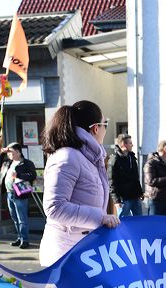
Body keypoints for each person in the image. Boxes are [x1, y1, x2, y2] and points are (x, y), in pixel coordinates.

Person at [39, 100, 120, 267]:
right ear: (96, 128)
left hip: (83, 252)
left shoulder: (89, 158)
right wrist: (100, 217)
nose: (106, 129)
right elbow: (54, 207)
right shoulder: (67, 157)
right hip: (64, 256)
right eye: (106, 124)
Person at [0, 142, 37, 249]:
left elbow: (32, 175)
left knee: (22, 218)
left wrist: (19, 175)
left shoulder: (26, 163)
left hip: (20, 193)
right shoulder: (7, 163)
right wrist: (3, 152)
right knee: (15, 218)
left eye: (11, 152)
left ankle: (25, 240)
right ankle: (19, 237)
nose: (9, 154)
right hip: (9, 193)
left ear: (18, 152)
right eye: (8, 152)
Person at [109, 133, 144, 218]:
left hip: (135, 197)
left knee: (139, 221)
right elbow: (111, 181)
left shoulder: (132, 157)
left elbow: (135, 177)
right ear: (123, 145)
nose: (132, 145)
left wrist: (140, 192)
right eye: (130, 143)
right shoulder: (114, 160)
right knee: (123, 223)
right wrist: (117, 200)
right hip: (123, 199)